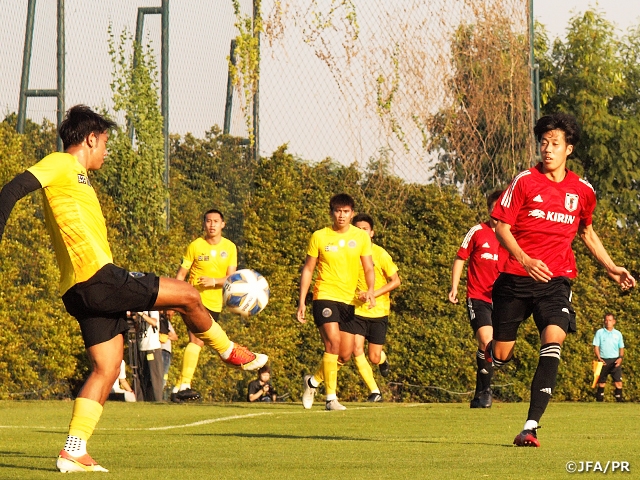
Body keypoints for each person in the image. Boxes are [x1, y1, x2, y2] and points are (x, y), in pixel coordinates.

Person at [0, 105, 268, 472]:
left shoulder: (77, 177)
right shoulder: (62, 163)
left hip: (79, 291)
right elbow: (12, 189)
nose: (106, 152)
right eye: (105, 143)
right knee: (190, 295)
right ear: (91, 138)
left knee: (107, 368)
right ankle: (229, 351)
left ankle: (73, 450)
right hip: (97, 278)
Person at [487, 112, 635, 447]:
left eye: (555, 143)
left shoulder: (582, 190)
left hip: (556, 280)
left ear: (569, 148)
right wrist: (525, 259)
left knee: (553, 339)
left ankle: (530, 426)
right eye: (543, 142)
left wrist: (612, 268)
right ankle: (490, 357)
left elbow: (587, 232)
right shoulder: (524, 181)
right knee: (502, 352)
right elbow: (501, 226)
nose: (547, 149)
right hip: (515, 279)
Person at [297, 193, 376, 411]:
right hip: (324, 296)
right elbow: (308, 269)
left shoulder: (361, 237)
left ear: (352, 214)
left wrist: (370, 290)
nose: (341, 216)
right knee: (332, 342)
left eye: (346, 211)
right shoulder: (320, 236)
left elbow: (368, 267)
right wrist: (302, 301)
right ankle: (331, 398)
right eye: (337, 211)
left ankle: (312, 382)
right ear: (331, 213)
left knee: (345, 354)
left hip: (349, 301)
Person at [170, 209, 238, 403]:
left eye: (216, 221)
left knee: (200, 343)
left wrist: (214, 281)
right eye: (209, 221)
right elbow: (181, 275)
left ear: (223, 224)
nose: (212, 225)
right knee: (196, 341)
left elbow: (231, 278)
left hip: (215, 305)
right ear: (204, 224)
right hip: (193, 300)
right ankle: (185, 386)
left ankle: (178, 387)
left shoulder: (230, 247)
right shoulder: (195, 246)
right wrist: (175, 301)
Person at [448, 190, 503, 408]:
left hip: (501, 300)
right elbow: (461, 258)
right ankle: (487, 392)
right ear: (489, 210)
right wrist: (454, 287)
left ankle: (479, 391)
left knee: (496, 349)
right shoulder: (477, 232)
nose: (496, 213)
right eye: (493, 209)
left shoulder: (512, 235)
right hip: (478, 296)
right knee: (486, 340)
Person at [340, 213, 401, 402]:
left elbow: (396, 281)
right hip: (356, 311)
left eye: (364, 229)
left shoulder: (380, 254)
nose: (360, 232)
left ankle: (382, 360)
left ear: (372, 233)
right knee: (355, 349)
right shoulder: (347, 254)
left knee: (374, 357)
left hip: (378, 312)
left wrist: (373, 293)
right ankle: (375, 392)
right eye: (357, 229)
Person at [593, 313, 625, 402]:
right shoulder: (599, 332)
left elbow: (621, 347)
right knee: (601, 382)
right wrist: (599, 358)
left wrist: (620, 358)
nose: (608, 322)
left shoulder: (618, 334)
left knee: (618, 382)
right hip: (603, 360)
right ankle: (599, 401)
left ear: (614, 322)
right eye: (606, 320)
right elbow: (596, 346)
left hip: (615, 360)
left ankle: (619, 401)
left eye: (610, 320)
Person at [136, 311, 164, 402]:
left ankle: (158, 400)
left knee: (155, 377)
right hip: (141, 347)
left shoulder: (152, 310)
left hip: (152, 348)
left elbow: (154, 322)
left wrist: (142, 314)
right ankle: (144, 400)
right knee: (143, 376)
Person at [159, 312, 178, 392]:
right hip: (161, 350)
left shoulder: (166, 322)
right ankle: (158, 392)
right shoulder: (159, 320)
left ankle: (160, 391)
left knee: (164, 374)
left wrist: (165, 335)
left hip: (166, 351)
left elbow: (175, 337)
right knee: (161, 373)